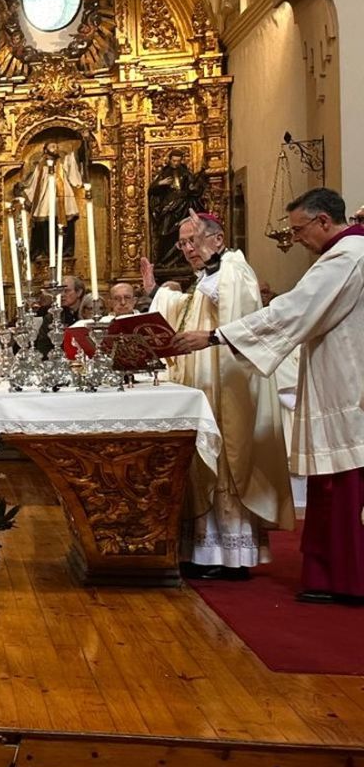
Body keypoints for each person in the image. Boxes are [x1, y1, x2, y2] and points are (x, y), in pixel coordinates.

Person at [177, 189, 362, 602]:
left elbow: (292, 310)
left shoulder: (346, 257)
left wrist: (214, 335)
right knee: (336, 485)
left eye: (298, 230)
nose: (295, 239)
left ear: (323, 222)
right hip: (341, 377)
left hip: (347, 385)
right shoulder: (348, 253)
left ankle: (346, 579)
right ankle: (334, 576)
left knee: (343, 486)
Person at [146, 212, 292, 578]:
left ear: (218, 238)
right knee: (200, 459)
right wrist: (158, 293)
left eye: (194, 240)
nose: (188, 249)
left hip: (227, 381)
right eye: (182, 243)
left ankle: (231, 557)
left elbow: (237, 306)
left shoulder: (235, 268)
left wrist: (206, 274)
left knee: (225, 456)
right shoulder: (204, 279)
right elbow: (187, 316)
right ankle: (201, 550)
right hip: (202, 381)